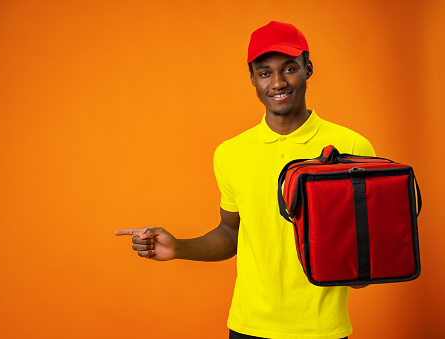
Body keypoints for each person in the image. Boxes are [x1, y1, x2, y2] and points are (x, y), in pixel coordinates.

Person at [115, 21, 375, 339]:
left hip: (322, 328)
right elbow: (230, 232)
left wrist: (362, 264)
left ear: (308, 68)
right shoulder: (230, 153)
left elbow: (367, 239)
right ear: (252, 78)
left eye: (289, 68)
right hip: (248, 327)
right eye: (265, 72)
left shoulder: (351, 146)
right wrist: (178, 248)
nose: (278, 82)